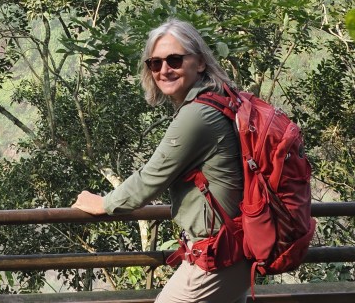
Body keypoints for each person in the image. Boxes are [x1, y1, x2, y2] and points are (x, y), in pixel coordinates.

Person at [73, 19, 250, 303]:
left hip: (218, 256)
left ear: (200, 62)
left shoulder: (198, 115)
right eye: (155, 63)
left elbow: (150, 179)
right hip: (236, 251)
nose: (164, 70)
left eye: (174, 60)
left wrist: (103, 204)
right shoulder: (222, 100)